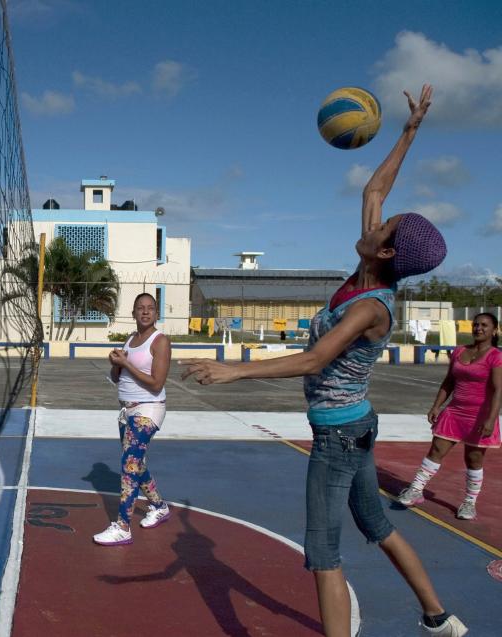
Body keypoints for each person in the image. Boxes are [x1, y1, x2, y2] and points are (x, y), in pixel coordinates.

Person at [179, 85, 467, 637]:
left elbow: (315, 361)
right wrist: (410, 131)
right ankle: (439, 618)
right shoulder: (364, 273)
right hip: (354, 426)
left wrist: (234, 369)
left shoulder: (369, 308)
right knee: (377, 523)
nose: (372, 223)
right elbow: (374, 186)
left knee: (323, 552)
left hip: (338, 437)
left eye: (381, 228)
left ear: (385, 252)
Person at [399, 312, 501, 520]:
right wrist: (436, 406)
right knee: (436, 449)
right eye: (475, 325)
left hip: (479, 417)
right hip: (454, 412)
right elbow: (448, 382)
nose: (478, 328)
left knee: (473, 459)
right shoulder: (459, 351)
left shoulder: (496, 356)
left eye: (484, 325)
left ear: (494, 330)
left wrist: (491, 419)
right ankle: (416, 490)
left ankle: (469, 503)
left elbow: (499, 390)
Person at [93, 293, 172, 545]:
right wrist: (116, 364)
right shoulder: (130, 340)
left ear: (156, 313)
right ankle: (159, 506)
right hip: (127, 411)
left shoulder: (160, 342)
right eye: (140, 308)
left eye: (150, 308)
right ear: (134, 313)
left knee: (129, 466)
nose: (145, 312)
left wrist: (126, 364)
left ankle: (123, 526)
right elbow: (117, 378)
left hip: (148, 409)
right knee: (137, 464)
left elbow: (156, 383)